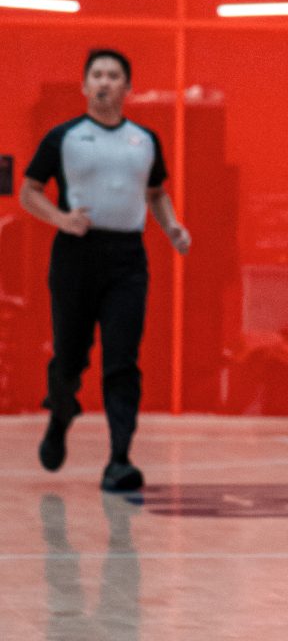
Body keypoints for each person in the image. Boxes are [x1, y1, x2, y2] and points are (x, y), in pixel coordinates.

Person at [21, 46, 191, 494]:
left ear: (127, 87)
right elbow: (29, 191)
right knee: (70, 357)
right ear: (84, 85)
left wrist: (172, 227)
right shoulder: (64, 137)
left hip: (127, 259)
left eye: (114, 76)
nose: (104, 82)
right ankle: (61, 415)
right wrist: (61, 219)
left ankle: (119, 460)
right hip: (76, 255)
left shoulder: (145, 140)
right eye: (97, 74)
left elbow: (156, 193)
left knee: (122, 360)